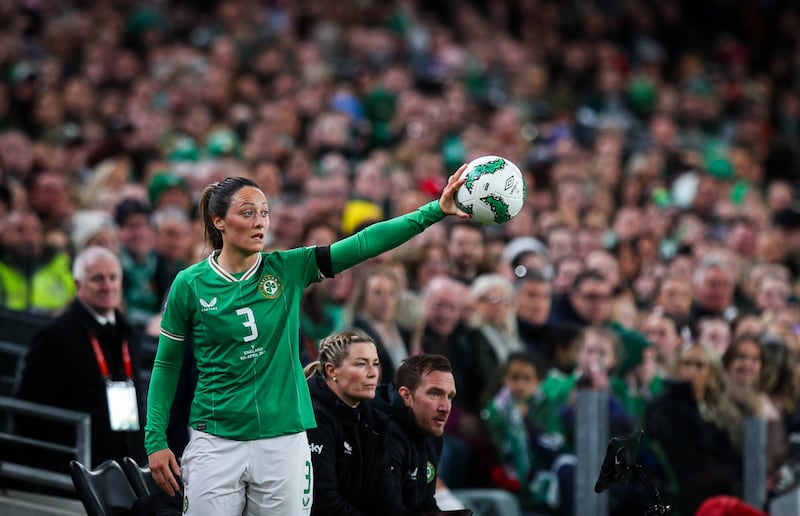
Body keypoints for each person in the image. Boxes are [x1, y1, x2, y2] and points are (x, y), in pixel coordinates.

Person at [145, 171, 469, 514]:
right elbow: (166, 365)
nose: (260, 222)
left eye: (265, 212)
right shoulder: (189, 284)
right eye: (247, 212)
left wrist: (435, 210)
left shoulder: (287, 268)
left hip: (283, 441)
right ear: (218, 221)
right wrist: (155, 439)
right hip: (216, 440)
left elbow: (363, 244)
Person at [15, 246, 146, 474]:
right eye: (97, 279)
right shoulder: (55, 336)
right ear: (78, 285)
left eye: (113, 277)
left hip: (127, 465)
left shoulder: (130, 334)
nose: (107, 286)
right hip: (75, 469)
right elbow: (29, 410)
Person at [304, 328, 396, 515]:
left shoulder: (375, 420)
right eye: (361, 364)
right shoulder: (314, 417)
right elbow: (324, 503)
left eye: (376, 364)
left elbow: (385, 498)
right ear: (331, 370)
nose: (373, 373)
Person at [373, 354, 458, 514]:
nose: (445, 407)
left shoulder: (432, 432)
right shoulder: (384, 433)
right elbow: (388, 510)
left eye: (450, 397)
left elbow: (425, 503)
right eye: (435, 394)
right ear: (406, 395)